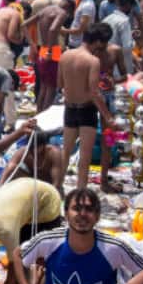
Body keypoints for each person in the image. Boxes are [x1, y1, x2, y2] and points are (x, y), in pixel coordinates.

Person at [59, 22, 115, 189]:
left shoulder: (65, 55)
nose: (104, 47)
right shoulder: (93, 61)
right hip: (86, 110)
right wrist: (107, 116)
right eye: (104, 43)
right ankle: (80, 192)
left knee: (66, 152)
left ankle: (57, 186)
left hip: (69, 107)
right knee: (85, 157)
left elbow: (59, 83)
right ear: (97, 42)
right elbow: (94, 92)